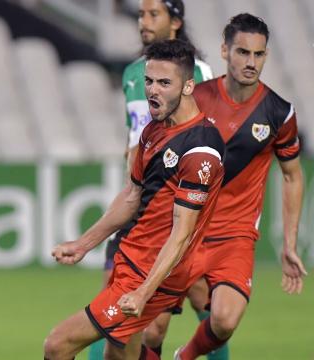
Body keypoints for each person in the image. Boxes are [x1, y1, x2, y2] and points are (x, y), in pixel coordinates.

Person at [44, 39, 225, 360]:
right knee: (118, 357)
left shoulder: (201, 149)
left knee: (58, 345)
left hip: (152, 272)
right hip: (134, 260)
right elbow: (132, 196)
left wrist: (144, 292)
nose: (152, 90)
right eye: (149, 81)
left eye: (164, 83)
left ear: (188, 86)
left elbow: (182, 234)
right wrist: (84, 244)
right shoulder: (154, 131)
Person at [93, 0, 225, 358]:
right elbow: (134, 134)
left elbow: (205, 138)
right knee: (112, 313)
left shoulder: (199, 71)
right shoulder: (132, 72)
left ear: (176, 21)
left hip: (174, 205)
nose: (144, 22)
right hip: (138, 198)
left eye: (154, 14)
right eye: (141, 14)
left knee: (197, 315)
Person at [172, 13, 307, 359]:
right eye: (242, 52)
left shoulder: (279, 113)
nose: (250, 62)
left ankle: (184, 356)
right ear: (224, 51)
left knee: (225, 320)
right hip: (185, 229)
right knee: (151, 324)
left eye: (258, 55)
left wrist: (289, 244)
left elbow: (292, 175)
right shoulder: (196, 99)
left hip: (235, 235)